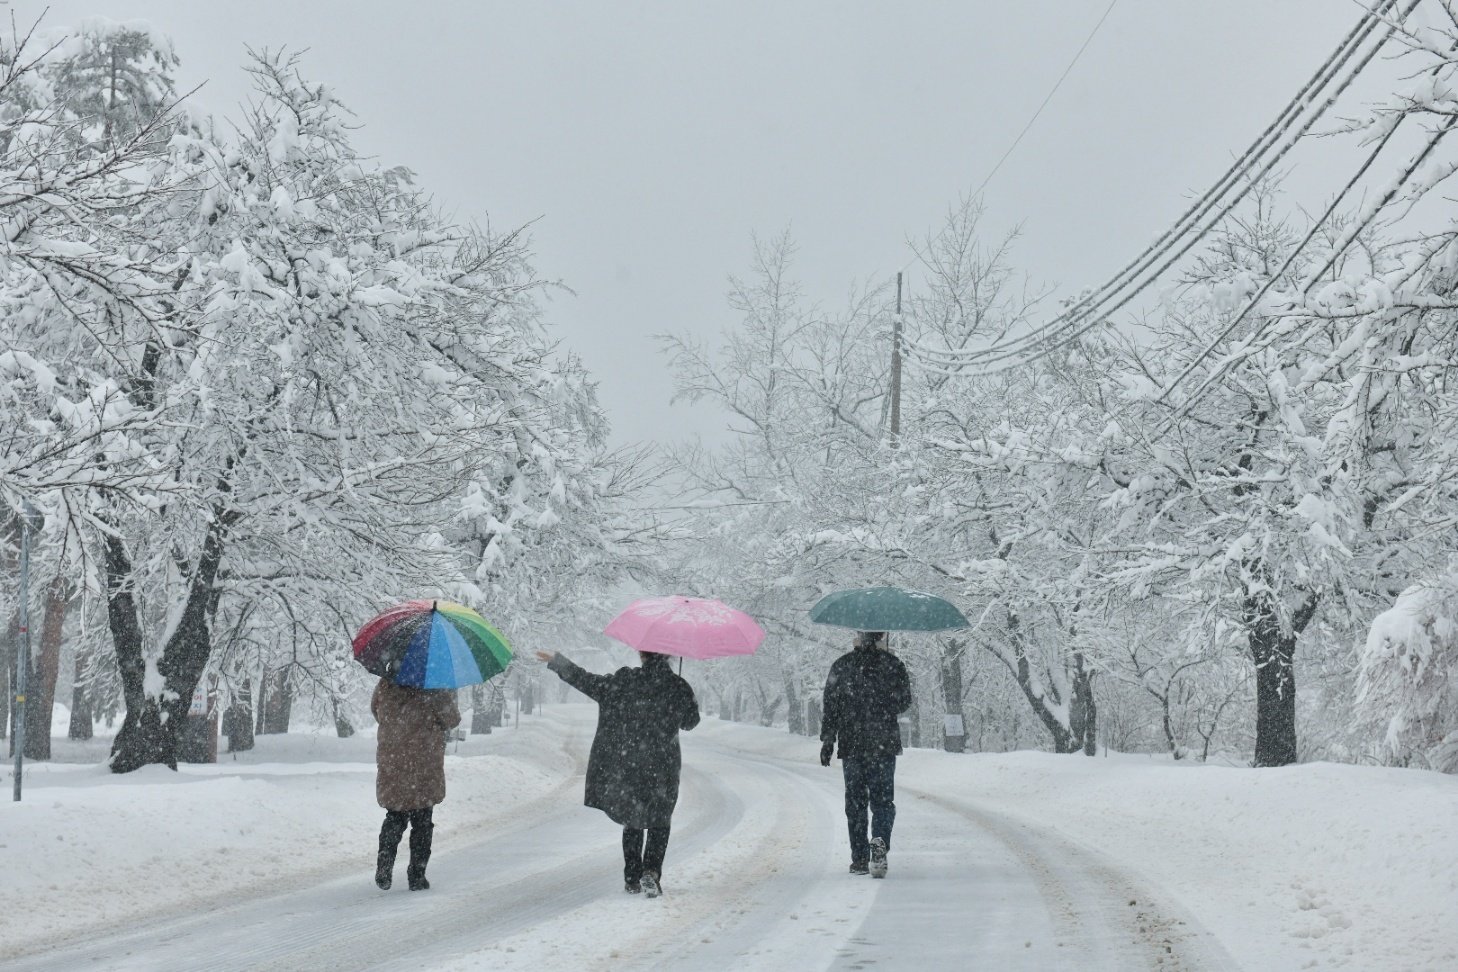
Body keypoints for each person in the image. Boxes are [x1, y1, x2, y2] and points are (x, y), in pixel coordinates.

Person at [535, 648, 699, 898]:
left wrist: (558, 663)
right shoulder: (677, 686)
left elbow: (587, 681)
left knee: (633, 820)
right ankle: (651, 873)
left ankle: (632, 878)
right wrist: (681, 695)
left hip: (630, 764)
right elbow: (690, 722)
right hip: (663, 766)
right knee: (659, 821)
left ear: (642, 655)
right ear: (668, 656)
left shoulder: (625, 681)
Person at [818, 630, 912, 878]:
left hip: (852, 745)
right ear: (881, 636)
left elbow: (831, 706)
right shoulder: (892, 664)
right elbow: (904, 702)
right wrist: (884, 693)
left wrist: (828, 740)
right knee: (882, 801)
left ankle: (859, 858)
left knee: (856, 802)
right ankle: (879, 841)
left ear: (858, 636)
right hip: (883, 744)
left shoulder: (842, 665)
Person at [372, 677, 461, 891]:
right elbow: (452, 718)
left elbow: (376, 710)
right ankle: (417, 875)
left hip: (394, 759)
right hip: (423, 762)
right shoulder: (434, 684)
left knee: (395, 815)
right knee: (422, 821)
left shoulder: (386, 684)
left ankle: (384, 864)